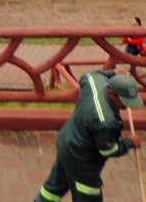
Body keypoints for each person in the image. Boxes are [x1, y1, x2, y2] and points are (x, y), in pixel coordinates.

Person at [34, 69, 143, 202]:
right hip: (82, 158)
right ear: (111, 93)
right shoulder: (106, 120)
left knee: (54, 187)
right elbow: (108, 150)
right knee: (88, 195)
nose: (127, 106)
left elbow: (89, 75)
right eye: (124, 101)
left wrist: (113, 72)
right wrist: (130, 142)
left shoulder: (95, 82)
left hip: (67, 141)